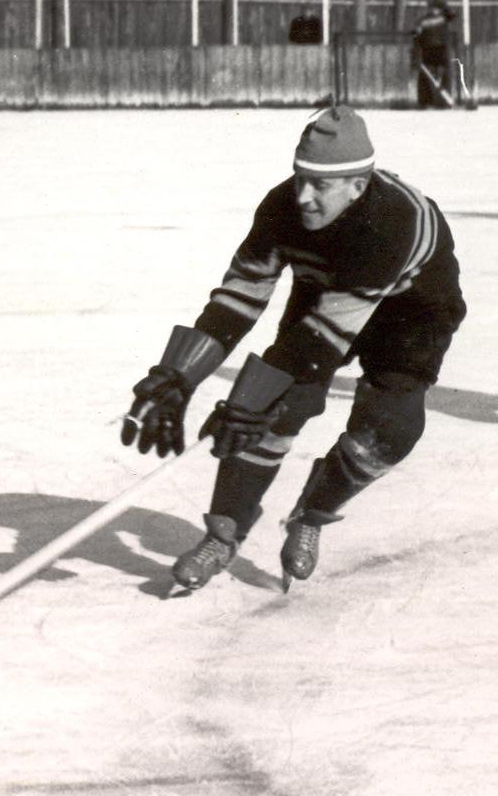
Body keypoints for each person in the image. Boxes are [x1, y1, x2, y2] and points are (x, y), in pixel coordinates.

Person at [121, 107, 466, 593]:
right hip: (326, 295)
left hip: (411, 315)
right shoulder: (281, 207)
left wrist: (249, 400)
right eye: (300, 179)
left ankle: (312, 513)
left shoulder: (393, 222)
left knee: (391, 429)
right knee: (274, 408)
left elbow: (323, 337)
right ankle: (222, 534)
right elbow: (240, 296)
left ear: (358, 185)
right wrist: (178, 374)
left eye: (320, 186)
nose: (303, 197)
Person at [409, 0, 474, 109]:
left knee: (444, 76)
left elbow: (452, 14)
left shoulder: (444, 17)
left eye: (437, 8)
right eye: (433, 8)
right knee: (425, 77)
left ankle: (443, 101)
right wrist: (416, 49)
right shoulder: (424, 20)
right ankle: (425, 102)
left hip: (441, 49)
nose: (435, 11)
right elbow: (416, 34)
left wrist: (445, 8)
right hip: (427, 49)